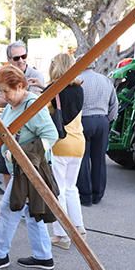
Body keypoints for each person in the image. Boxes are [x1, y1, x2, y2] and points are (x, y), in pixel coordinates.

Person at [0, 65, 60, 270]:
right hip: (21, 170)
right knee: (33, 212)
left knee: (8, 209)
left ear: (21, 86)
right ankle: (43, 256)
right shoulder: (13, 105)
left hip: (28, 171)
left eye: (6, 90)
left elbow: (51, 135)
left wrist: (21, 153)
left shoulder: (32, 106)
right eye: (1, 90)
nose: (2, 95)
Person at [0, 41, 45, 210]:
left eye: (24, 56)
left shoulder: (35, 76)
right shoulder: (4, 75)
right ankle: (11, 201)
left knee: (27, 179)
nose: (21, 60)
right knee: (5, 170)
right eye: (16, 57)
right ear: (9, 59)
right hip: (9, 138)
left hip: (27, 143)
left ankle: (18, 204)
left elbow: (33, 106)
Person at [46, 53, 86, 249]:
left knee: (58, 189)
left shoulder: (53, 90)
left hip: (61, 143)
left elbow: (44, 114)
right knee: (71, 187)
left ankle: (61, 234)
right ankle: (79, 227)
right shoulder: (79, 89)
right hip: (79, 142)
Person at [76, 65, 118, 206]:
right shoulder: (106, 80)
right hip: (102, 120)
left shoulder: (78, 80)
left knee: (83, 159)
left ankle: (85, 195)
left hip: (84, 120)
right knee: (99, 159)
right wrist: (107, 120)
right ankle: (98, 194)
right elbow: (114, 104)